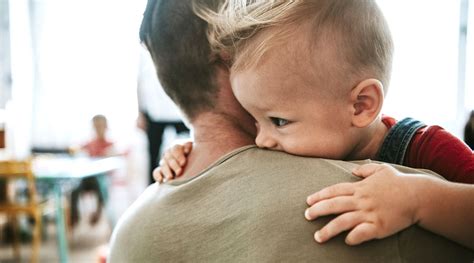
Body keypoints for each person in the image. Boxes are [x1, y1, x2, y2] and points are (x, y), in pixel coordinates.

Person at [107, 0, 474, 261]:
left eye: (277, 121)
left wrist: (418, 199)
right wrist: (183, 151)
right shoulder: (303, 129)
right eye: (256, 118)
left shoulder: (426, 147)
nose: (264, 140)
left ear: (361, 106)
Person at [136, 48, 190, 185]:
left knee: (189, 150)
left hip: (180, 110)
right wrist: (140, 113)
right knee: (153, 156)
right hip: (154, 112)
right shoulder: (144, 54)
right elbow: (140, 83)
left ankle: (187, 183)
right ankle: (152, 189)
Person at [70, 114, 116, 227]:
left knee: (101, 185)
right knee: (74, 190)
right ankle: (74, 217)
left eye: (100, 126)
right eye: (96, 127)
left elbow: (117, 157)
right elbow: (76, 148)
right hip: (87, 179)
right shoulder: (90, 143)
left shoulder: (110, 145)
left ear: (106, 127)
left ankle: (97, 214)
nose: (98, 129)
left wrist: (110, 154)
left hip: (103, 180)